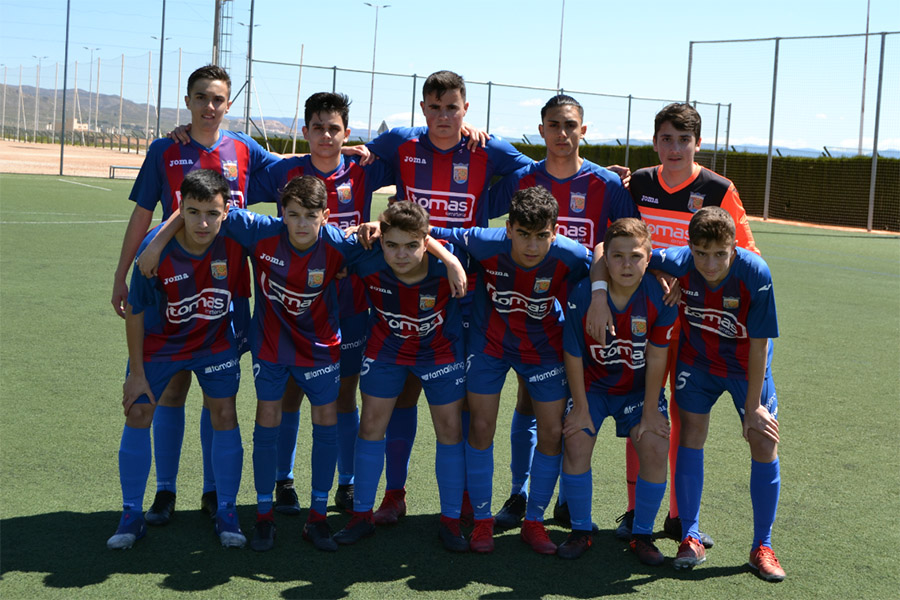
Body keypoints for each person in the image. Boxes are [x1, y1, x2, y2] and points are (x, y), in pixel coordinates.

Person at [112, 64, 280, 525]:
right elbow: (144, 214)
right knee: (171, 391)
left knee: (218, 394)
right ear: (187, 101)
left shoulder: (244, 149)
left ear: (229, 104)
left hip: (228, 290)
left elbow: (294, 171)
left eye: (218, 99)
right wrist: (122, 273)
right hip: (169, 285)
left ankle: (213, 492)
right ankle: (165, 491)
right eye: (202, 97)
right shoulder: (167, 149)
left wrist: (341, 147)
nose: (210, 106)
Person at [363, 70, 533, 525]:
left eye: (452, 108)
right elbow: (354, 158)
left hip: (464, 293)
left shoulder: (486, 149)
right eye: (435, 108)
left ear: (466, 109)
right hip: (406, 288)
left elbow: (532, 172)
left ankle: (458, 502)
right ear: (423, 109)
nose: (443, 116)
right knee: (402, 392)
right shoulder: (402, 142)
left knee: (455, 403)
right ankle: (394, 495)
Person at [589, 102, 758, 546]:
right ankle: (633, 510)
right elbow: (614, 241)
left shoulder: (720, 189)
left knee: (683, 416)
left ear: (698, 144)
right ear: (655, 142)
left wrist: (689, 275)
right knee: (641, 408)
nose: (676, 147)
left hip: (697, 323)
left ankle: (680, 517)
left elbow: (742, 255)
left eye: (684, 139)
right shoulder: (639, 182)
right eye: (667, 138)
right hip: (643, 319)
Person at [488, 94, 639, 528]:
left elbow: (630, 241)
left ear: (584, 131)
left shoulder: (606, 186)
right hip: (530, 310)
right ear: (541, 131)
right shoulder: (524, 178)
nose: (562, 133)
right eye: (554, 125)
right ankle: (519, 492)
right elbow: (483, 208)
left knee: (577, 405)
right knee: (529, 402)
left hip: (588, 315)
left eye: (570, 125)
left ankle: (568, 497)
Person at [252, 92, 395, 515]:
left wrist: (378, 218)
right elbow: (239, 166)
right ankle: (284, 480)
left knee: (342, 398)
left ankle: (346, 484)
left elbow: (409, 152)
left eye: (335, 129)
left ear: (347, 133)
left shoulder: (363, 171)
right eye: (318, 128)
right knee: (291, 396)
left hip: (349, 304)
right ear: (305, 131)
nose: (327, 137)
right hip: (291, 310)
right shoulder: (285, 171)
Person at [428, 186, 591, 554]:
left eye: (542, 236)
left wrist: (598, 294)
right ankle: (483, 521)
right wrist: (453, 261)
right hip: (490, 345)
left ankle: (533, 522)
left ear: (556, 230)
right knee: (482, 426)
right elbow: (426, 232)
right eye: (523, 235)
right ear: (508, 228)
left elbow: (601, 260)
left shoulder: (569, 254)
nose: (532, 246)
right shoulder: (486, 243)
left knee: (551, 431)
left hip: (544, 349)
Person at [107, 169, 248, 550]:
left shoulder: (235, 242)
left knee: (224, 413)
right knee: (138, 409)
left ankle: (227, 511)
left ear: (226, 211)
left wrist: (241, 342)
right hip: (161, 343)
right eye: (193, 211)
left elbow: (245, 293)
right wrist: (136, 373)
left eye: (212, 213)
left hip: (213, 343)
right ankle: (132, 514)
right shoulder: (154, 249)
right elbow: (135, 311)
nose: (203, 222)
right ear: (179, 210)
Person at [645, 206, 784, 581]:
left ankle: (762, 546)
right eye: (701, 253)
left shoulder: (755, 273)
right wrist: (659, 273)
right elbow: (625, 255)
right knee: (690, 435)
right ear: (689, 247)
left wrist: (754, 406)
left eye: (720, 254)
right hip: (699, 363)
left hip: (745, 366)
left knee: (762, 438)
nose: (709, 264)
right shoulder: (678, 260)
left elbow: (759, 344)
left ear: (734, 248)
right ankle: (690, 536)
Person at [332, 201, 469, 552]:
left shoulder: (448, 261)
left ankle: (451, 520)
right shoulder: (367, 256)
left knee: (450, 430)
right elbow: (326, 240)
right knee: (371, 425)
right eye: (391, 245)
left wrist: (451, 259)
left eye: (411, 246)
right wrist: (357, 227)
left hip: (440, 351)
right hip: (387, 347)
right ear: (381, 242)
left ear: (427, 241)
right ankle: (361, 514)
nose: (401, 254)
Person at [558, 218, 676, 562]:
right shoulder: (584, 293)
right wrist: (579, 406)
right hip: (593, 388)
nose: (627, 264)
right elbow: (574, 352)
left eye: (636, 256)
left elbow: (657, 357)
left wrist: (652, 409)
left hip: (637, 392)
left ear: (649, 257)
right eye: (618, 256)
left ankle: (641, 534)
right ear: (604, 259)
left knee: (655, 444)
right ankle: (581, 530)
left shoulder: (658, 295)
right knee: (576, 438)